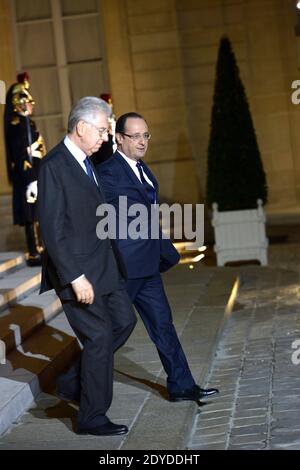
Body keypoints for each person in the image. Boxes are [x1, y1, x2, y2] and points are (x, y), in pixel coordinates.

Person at [97, 112, 219, 402]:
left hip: (147, 265)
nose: (142, 142)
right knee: (113, 330)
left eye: (145, 135)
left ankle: (182, 385)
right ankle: (73, 380)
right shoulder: (108, 172)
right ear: (120, 139)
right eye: (135, 136)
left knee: (163, 324)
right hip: (125, 267)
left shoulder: (142, 169)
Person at [38, 97, 136, 436]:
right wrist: (75, 278)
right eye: (102, 130)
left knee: (124, 321)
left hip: (105, 267)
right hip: (78, 272)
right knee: (99, 336)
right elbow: (52, 231)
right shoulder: (54, 165)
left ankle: (70, 382)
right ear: (81, 127)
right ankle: (92, 417)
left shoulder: (86, 160)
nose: (107, 137)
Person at [3, 72, 46, 266]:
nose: (30, 105)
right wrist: (30, 178)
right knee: (30, 216)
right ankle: (33, 251)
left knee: (37, 214)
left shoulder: (28, 123)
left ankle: (41, 249)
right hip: (26, 176)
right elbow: (21, 155)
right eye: (27, 102)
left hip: (35, 174)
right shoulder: (17, 125)